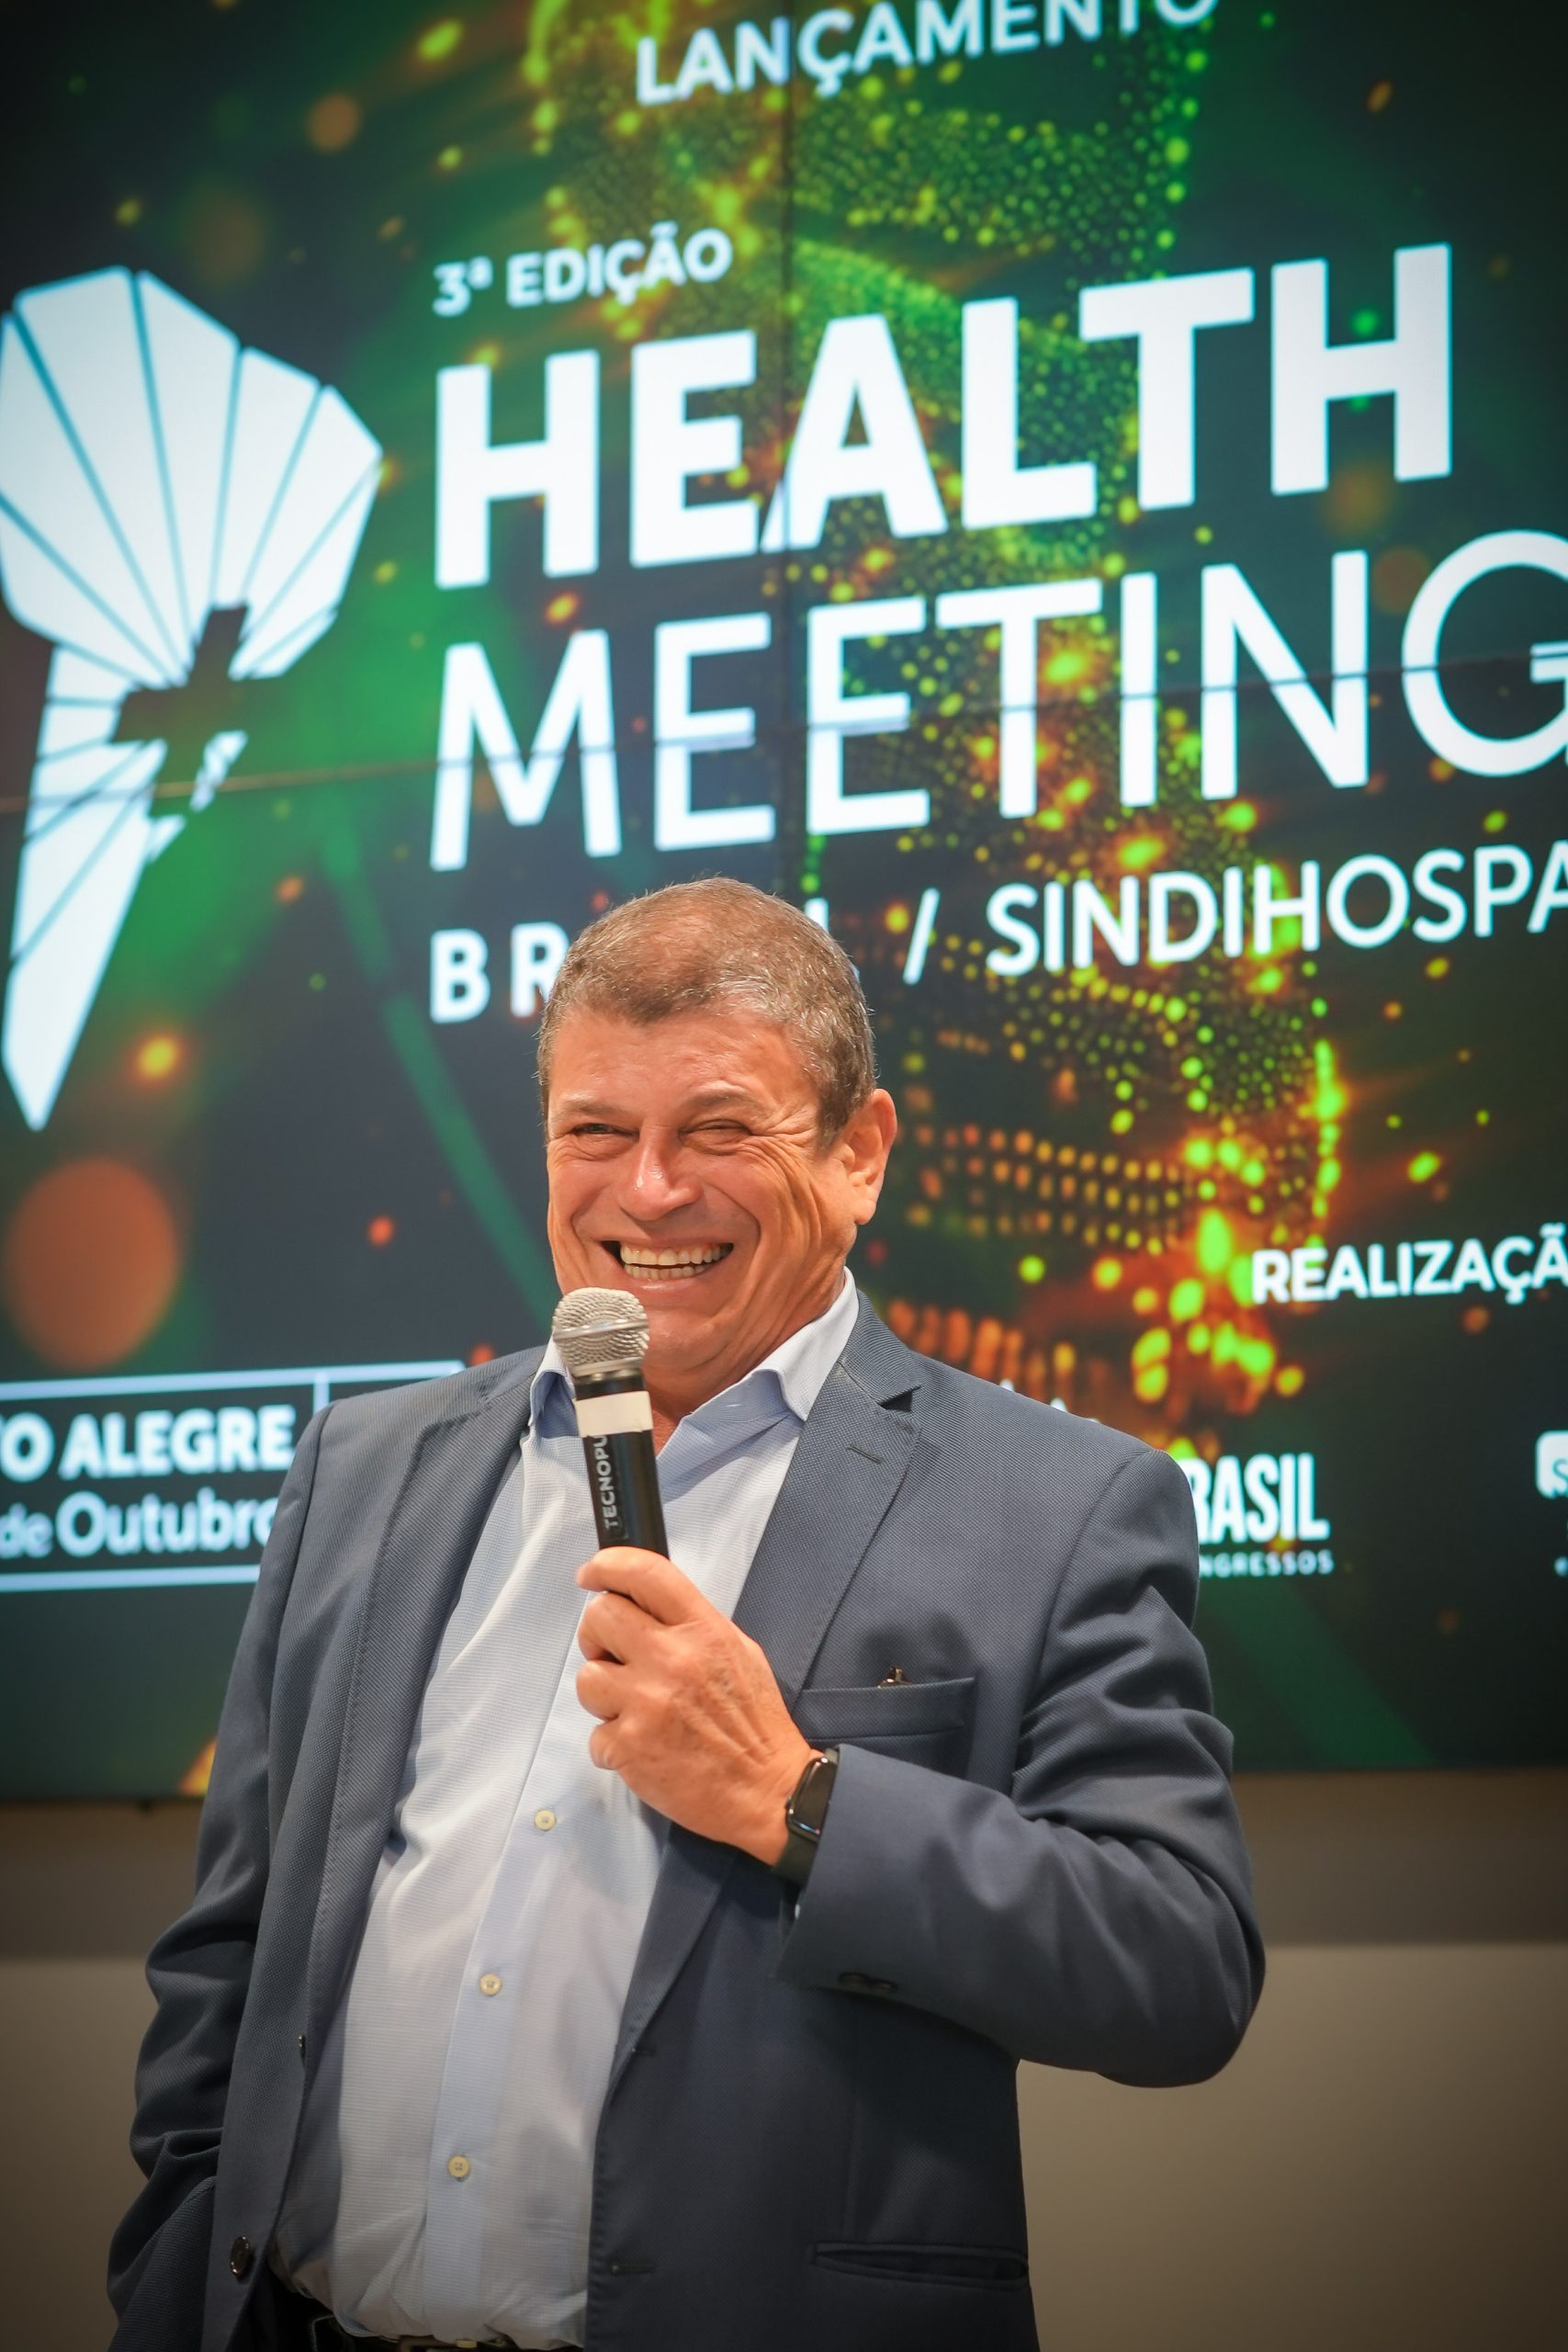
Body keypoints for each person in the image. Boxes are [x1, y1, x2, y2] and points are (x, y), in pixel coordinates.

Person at [109, 877, 1263, 2352]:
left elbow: (1178, 1965)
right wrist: (176, 2273)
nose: (648, 1192)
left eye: (719, 1131)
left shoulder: (1059, 1503)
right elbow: (231, 1951)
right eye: (595, 1132)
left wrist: (799, 1800)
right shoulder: (366, 1469)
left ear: (859, 1153)